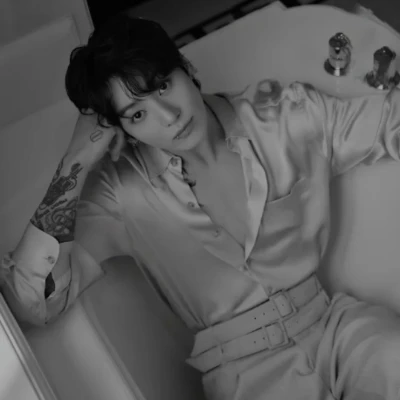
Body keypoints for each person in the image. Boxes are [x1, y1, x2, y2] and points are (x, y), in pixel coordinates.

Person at [1, 13, 400, 400]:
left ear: (185, 67)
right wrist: (76, 159)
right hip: (246, 373)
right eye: (138, 114)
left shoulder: (283, 116)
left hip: (339, 329)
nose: (169, 116)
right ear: (124, 131)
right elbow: (29, 304)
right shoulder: (121, 193)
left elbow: (389, 121)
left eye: (162, 86)